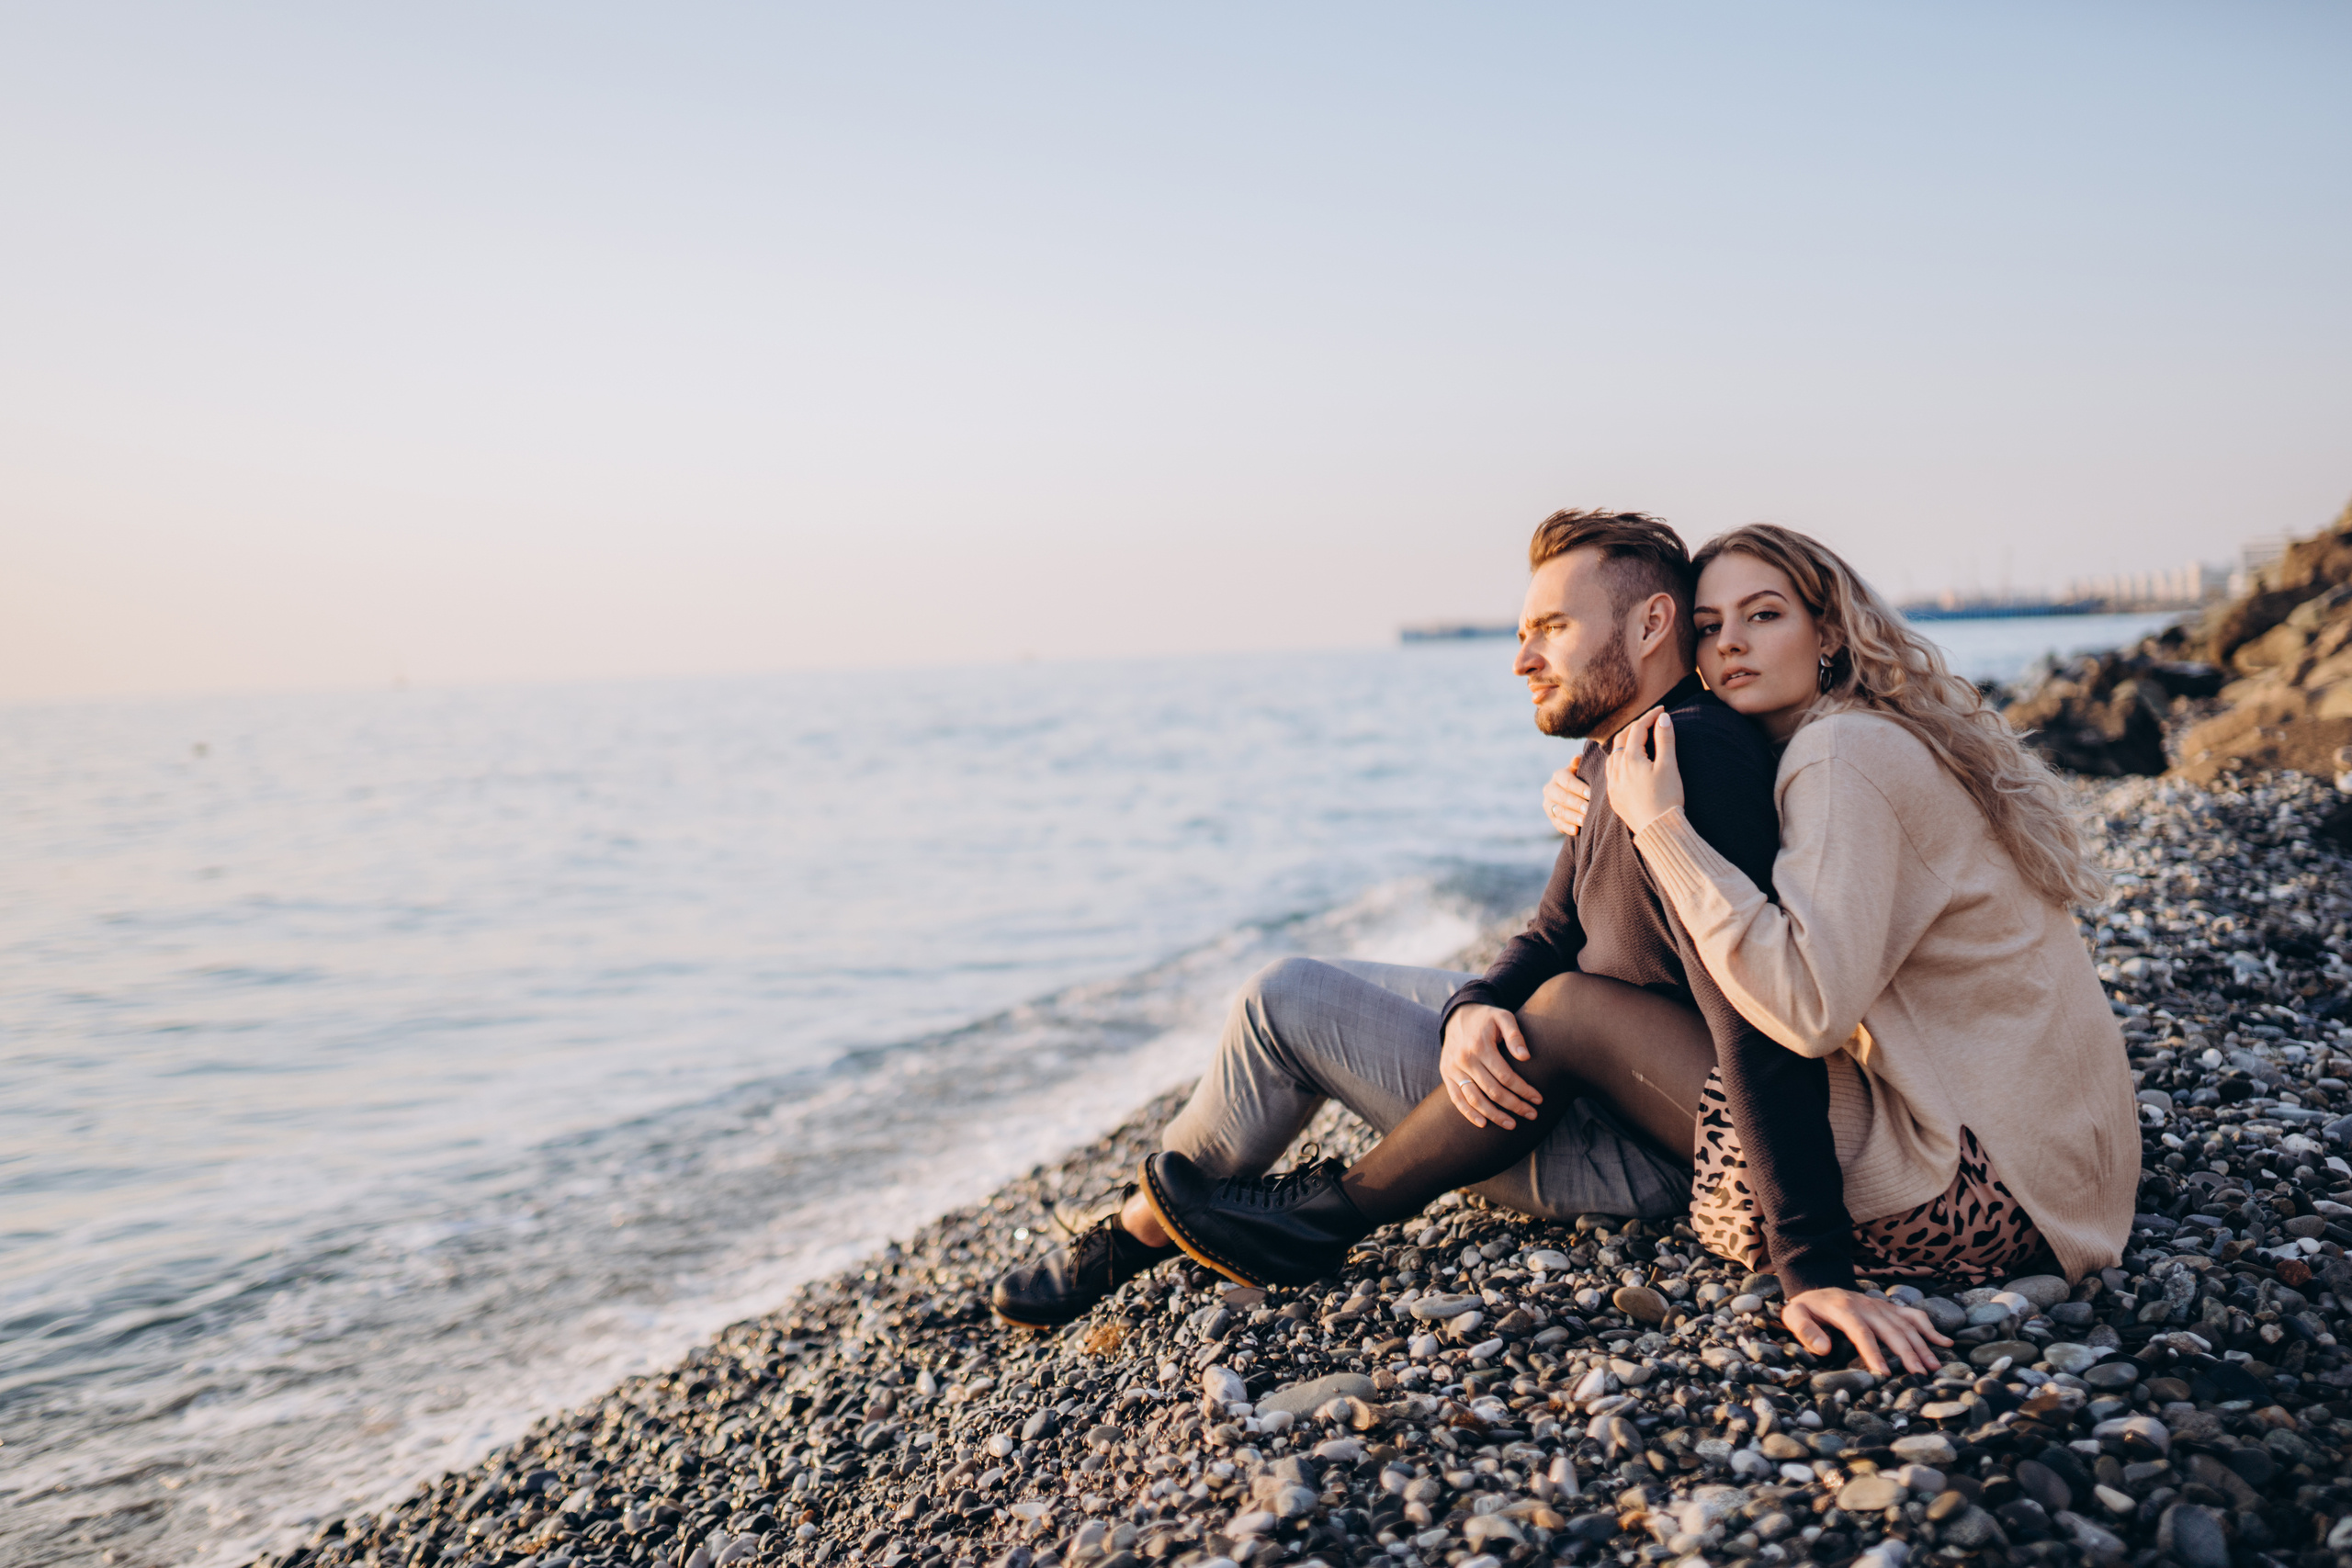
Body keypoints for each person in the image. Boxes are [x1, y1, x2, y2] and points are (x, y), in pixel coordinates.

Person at [1139, 524, 2139, 1373]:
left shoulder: (1839, 755)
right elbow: (1567, 929)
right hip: (2047, 1171)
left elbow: (1792, 1010)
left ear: (1829, 631)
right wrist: (1582, 837)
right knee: (1522, 1000)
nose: (1728, 645)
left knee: (1566, 1009)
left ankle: (1320, 1221)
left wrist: (1812, 1272)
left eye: (1763, 615)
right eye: (1711, 625)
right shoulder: (1796, 743)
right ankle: (1195, 1221)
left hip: (1975, 1193)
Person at [991, 510, 1860, 1357]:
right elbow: (1552, 928)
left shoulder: (1691, 758)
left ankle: (1154, 1228)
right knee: (1310, 990)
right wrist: (1473, 1006)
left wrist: (1810, 1261)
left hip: (1641, 1147)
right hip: (1572, 1086)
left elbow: (1753, 1011)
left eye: (1553, 628)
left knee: (1287, 1001)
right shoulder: (1618, 752)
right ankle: (1164, 1213)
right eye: (1524, 633)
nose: (1522, 660)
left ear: (1650, 624)